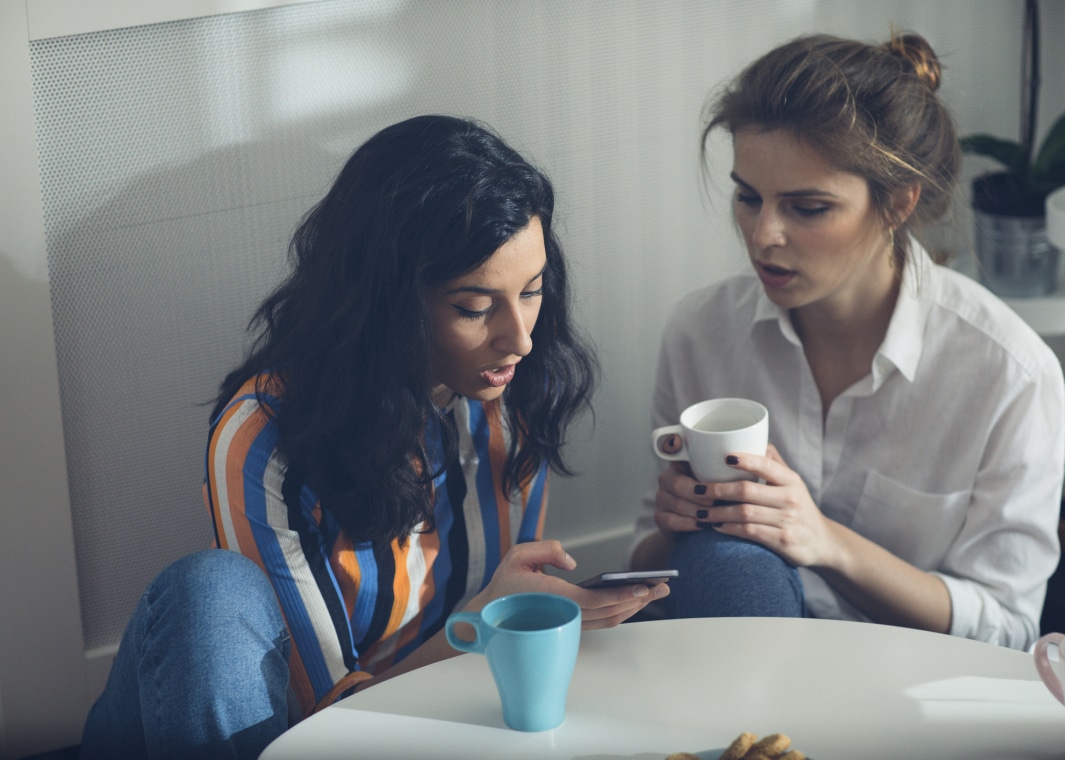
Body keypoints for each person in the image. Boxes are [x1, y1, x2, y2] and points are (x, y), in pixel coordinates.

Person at [81, 114, 667, 760]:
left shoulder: (509, 390)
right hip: (287, 733)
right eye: (475, 308)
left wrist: (534, 618)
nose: (520, 338)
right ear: (388, 304)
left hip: (427, 723)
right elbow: (318, 726)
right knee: (209, 593)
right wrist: (484, 623)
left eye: (531, 292)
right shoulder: (264, 440)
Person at [629, 33, 1065, 651]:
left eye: (807, 208)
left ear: (896, 204)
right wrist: (677, 525)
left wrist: (825, 541)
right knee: (730, 565)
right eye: (748, 198)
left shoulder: (1009, 373)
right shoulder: (700, 332)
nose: (763, 236)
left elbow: (1008, 628)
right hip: (739, 648)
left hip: (912, 675)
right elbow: (651, 557)